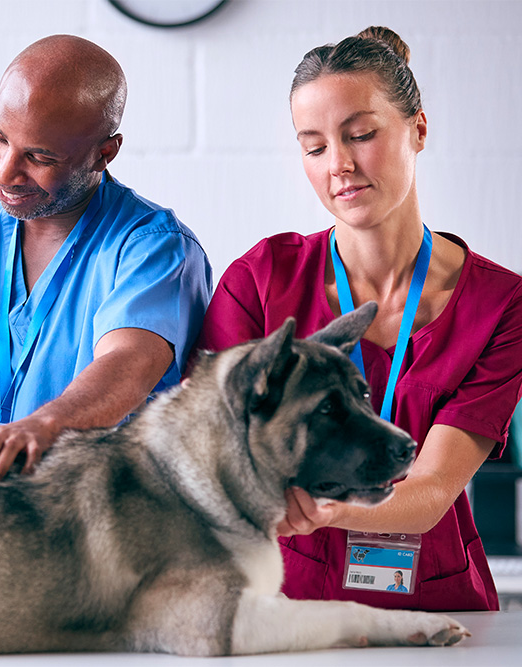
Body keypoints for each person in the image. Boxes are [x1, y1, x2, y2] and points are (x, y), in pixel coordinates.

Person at [192, 26, 522, 611]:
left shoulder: (501, 304)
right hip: (280, 607)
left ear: (418, 129)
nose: (339, 165)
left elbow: (432, 488)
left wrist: (319, 507)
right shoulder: (260, 281)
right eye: (314, 147)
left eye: (361, 134)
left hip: (432, 608)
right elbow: (213, 447)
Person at [0, 35, 211, 484]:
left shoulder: (153, 248)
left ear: (104, 153)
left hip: (83, 540)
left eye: (39, 157)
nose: (5, 170)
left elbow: (128, 364)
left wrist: (42, 426)